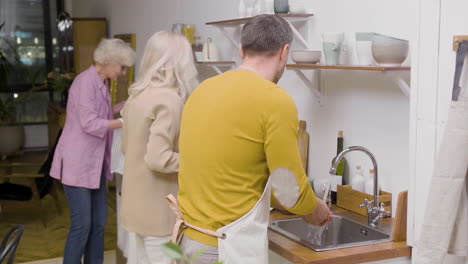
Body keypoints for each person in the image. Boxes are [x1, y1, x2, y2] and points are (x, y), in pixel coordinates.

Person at [171, 14, 333, 263]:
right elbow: (289, 191)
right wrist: (315, 209)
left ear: (241, 49)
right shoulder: (275, 100)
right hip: (225, 249)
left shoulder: (201, 90)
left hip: (188, 242)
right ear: (284, 51)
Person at [50, 38, 135, 264]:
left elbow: (104, 115)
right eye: (121, 66)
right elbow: (89, 123)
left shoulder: (101, 83)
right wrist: (125, 121)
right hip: (78, 162)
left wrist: (127, 105)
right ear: (107, 61)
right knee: (82, 225)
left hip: (95, 163)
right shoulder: (84, 82)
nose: (123, 72)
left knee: (98, 224)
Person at [120, 31, 198, 264]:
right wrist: (196, 161)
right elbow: (158, 159)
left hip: (135, 208)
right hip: (159, 213)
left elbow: (126, 148)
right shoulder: (169, 100)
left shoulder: (137, 94)